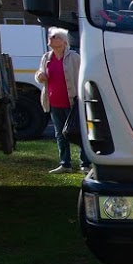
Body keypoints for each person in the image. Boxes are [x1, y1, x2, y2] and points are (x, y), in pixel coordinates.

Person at [34, 28, 83, 173]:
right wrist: (40, 76)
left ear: (63, 41)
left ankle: (84, 164)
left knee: (78, 133)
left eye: (54, 36)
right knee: (60, 135)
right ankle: (65, 164)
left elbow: (81, 76)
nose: (51, 38)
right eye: (50, 36)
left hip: (72, 102)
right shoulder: (46, 57)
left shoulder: (74, 57)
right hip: (53, 102)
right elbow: (39, 73)